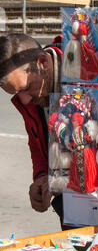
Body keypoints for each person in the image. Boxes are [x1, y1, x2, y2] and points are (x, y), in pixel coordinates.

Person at [0, 33, 72, 230]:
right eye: (16, 93)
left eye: (26, 88)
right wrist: (41, 176)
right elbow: (37, 142)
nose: (24, 100)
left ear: (42, 62)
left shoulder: (84, 76)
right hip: (71, 207)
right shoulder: (33, 97)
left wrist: (66, 178)